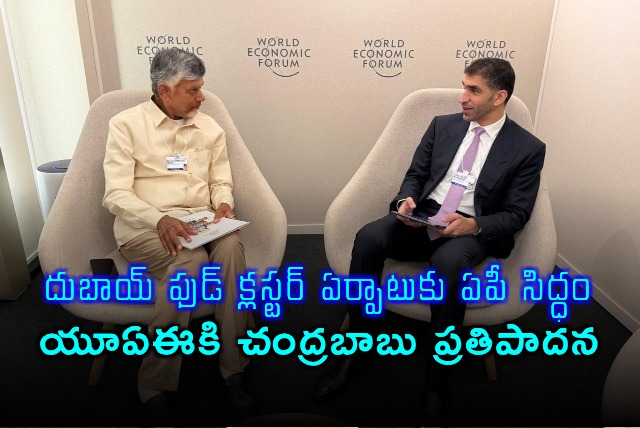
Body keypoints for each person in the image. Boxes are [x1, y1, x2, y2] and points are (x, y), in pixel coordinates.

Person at [313, 58, 546, 425]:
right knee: (369, 237)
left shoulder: (527, 147)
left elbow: (517, 214)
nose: (462, 97)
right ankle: (357, 344)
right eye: (464, 87)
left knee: (449, 264)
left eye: (473, 90)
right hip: (425, 216)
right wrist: (405, 201)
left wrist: (474, 225)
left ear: (499, 97)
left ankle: (438, 379)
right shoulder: (442, 126)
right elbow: (416, 175)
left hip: (470, 227)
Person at [102, 47, 254, 423]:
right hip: (144, 226)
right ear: (164, 91)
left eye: (201, 87)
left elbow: (220, 180)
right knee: (190, 261)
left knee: (231, 247)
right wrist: (159, 219)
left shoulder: (210, 127)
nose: (202, 97)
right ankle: (153, 381)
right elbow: (115, 194)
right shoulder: (125, 124)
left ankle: (232, 364)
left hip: (201, 221)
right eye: (193, 90)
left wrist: (223, 203)